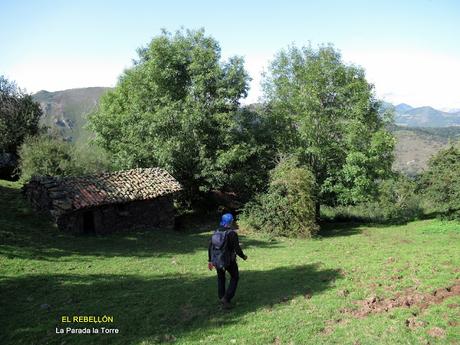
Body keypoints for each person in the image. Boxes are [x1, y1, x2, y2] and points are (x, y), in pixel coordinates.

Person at [208, 213, 247, 309]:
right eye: (232, 221)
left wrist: (210, 260)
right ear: (230, 222)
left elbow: (210, 247)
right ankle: (226, 298)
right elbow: (237, 248)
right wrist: (243, 256)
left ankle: (222, 298)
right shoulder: (231, 233)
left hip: (217, 260)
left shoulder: (216, 231)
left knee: (221, 278)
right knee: (235, 277)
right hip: (229, 260)